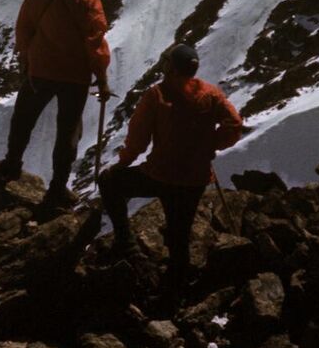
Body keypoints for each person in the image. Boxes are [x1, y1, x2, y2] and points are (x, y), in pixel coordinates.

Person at [98, 42, 244, 290]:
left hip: (160, 175)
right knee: (180, 235)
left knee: (110, 183)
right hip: (195, 179)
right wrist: (210, 146)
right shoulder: (211, 94)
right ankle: (176, 290)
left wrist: (121, 164)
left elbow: (138, 140)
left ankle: (126, 243)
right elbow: (234, 125)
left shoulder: (158, 95)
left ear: (171, 68)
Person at [0, 0, 111, 210]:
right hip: (75, 76)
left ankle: (11, 165)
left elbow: (24, 28)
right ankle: (57, 188)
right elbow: (96, 42)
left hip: (41, 70)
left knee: (23, 118)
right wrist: (101, 79)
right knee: (68, 132)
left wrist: (26, 58)